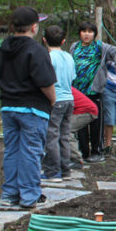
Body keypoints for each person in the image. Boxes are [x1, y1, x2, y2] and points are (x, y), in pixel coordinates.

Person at [0, 6, 56, 208]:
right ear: (33, 27)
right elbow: (45, 83)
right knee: (31, 151)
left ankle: (9, 195)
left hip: (8, 107)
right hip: (32, 109)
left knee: (12, 150)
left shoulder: (4, 47)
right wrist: (53, 100)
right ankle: (30, 196)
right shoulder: (36, 50)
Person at [69, 21, 116, 163]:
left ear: (94, 34)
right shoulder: (74, 47)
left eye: (90, 31)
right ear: (79, 33)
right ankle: (83, 152)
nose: (87, 34)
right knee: (79, 124)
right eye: (84, 31)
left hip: (94, 93)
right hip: (77, 93)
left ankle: (97, 152)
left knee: (96, 123)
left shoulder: (101, 47)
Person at [41, 25, 76, 182]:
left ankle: (52, 171)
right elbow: (73, 77)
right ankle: (65, 169)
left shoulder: (48, 57)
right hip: (70, 99)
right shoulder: (69, 57)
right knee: (64, 135)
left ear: (44, 40)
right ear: (63, 41)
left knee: (52, 136)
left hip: (56, 99)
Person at [68, 87, 99, 168]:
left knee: (66, 131)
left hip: (87, 110)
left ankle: (76, 160)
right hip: (81, 109)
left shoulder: (55, 87)